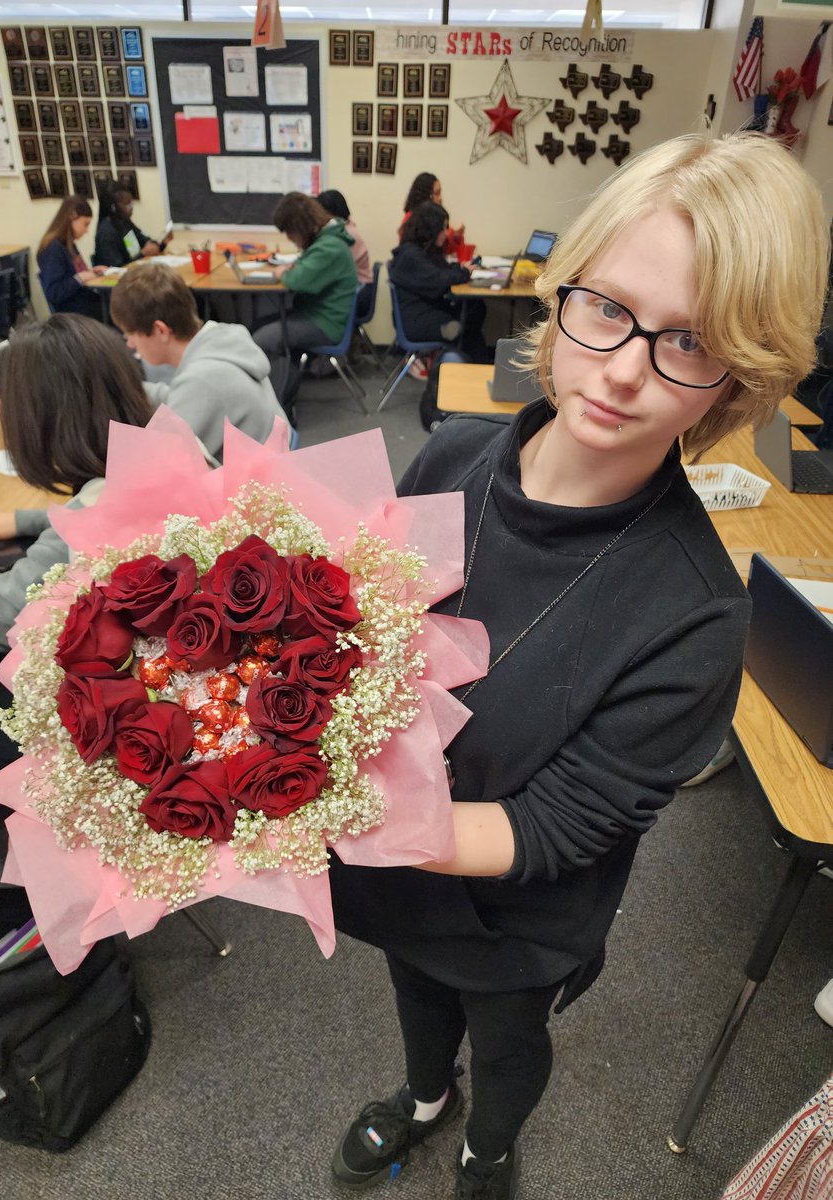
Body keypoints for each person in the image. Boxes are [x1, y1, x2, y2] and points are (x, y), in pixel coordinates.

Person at [327, 132, 828, 1200]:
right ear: (565, 294)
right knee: (413, 990)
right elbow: (372, 639)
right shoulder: (455, 454)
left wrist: (330, 814)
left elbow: (556, 828)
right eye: (607, 307)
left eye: (686, 341)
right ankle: (425, 1100)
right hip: (401, 872)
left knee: (505, 1041)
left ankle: (487, 1145)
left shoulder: (694, 617)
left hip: (517, 916)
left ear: (737, 374)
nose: (623, 369)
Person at [0, 314, 154, 651]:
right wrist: (25, 520)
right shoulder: (161, 447)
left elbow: (0, 615)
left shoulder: (85, 525)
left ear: (42, 423)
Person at [109, 262, 290, 458]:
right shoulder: (221, 340)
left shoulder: (202, 379)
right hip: (273, 471)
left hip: (251, 483)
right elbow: (180, 398)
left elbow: (157, 462)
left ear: (160, 330)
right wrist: (132, 388)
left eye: (130, 334)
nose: (130, 344)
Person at [253, 191, 358, 417]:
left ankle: (274, 405)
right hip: (314, 315)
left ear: (301, 226)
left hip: (325, 324)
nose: (290, 239)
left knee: (261, 339)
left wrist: (283, 273)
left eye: (290, 233)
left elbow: (299, 280)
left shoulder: (329, 247)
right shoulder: (326, 241)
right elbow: (304, 265)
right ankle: (277, 390)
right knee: (257, 325)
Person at [389, 201, 487, 431]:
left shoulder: (420, 251)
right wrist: (462, 272)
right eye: (443, 228)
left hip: (426, 311)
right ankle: (470, 386)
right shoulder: (410, 256)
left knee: (475, 310)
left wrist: (460, 270)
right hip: (418, 321)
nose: (446, 233)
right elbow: (437, 281)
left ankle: (473, 382)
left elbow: (439, 273)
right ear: (431, 229)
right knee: (466, 325)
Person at [36, 194, 105, 319]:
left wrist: (91, 272)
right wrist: (80, 278)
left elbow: (74, 274)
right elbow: (54, 292)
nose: (86, 230)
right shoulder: (53, 249)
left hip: (84, 303)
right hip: (74, 314)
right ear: (72, 216)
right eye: (85, 224)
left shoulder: (69, 244)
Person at [93, 180, 164, 268]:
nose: (131, 208)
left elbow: (144, 241)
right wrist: (142, 254)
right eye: (127, 204)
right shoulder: (106, 232)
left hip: (135, 272)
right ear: (113, 207)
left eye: (131, 203)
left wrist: (162, 244)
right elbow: (118, 266)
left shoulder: (125, 223)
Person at [317, 188, 372, 295]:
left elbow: (329, 267)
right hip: (354, 287)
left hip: (357, 292)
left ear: (331, 213)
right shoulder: (345, 228)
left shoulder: (345, 234)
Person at [400, 172, 465, 258]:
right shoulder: (411, 219)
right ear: (426, 195)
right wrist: (450, 234)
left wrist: (456, 236)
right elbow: (426, 250)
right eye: (437, 193)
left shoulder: (435, 216)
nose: (440, 198)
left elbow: (444, 250)